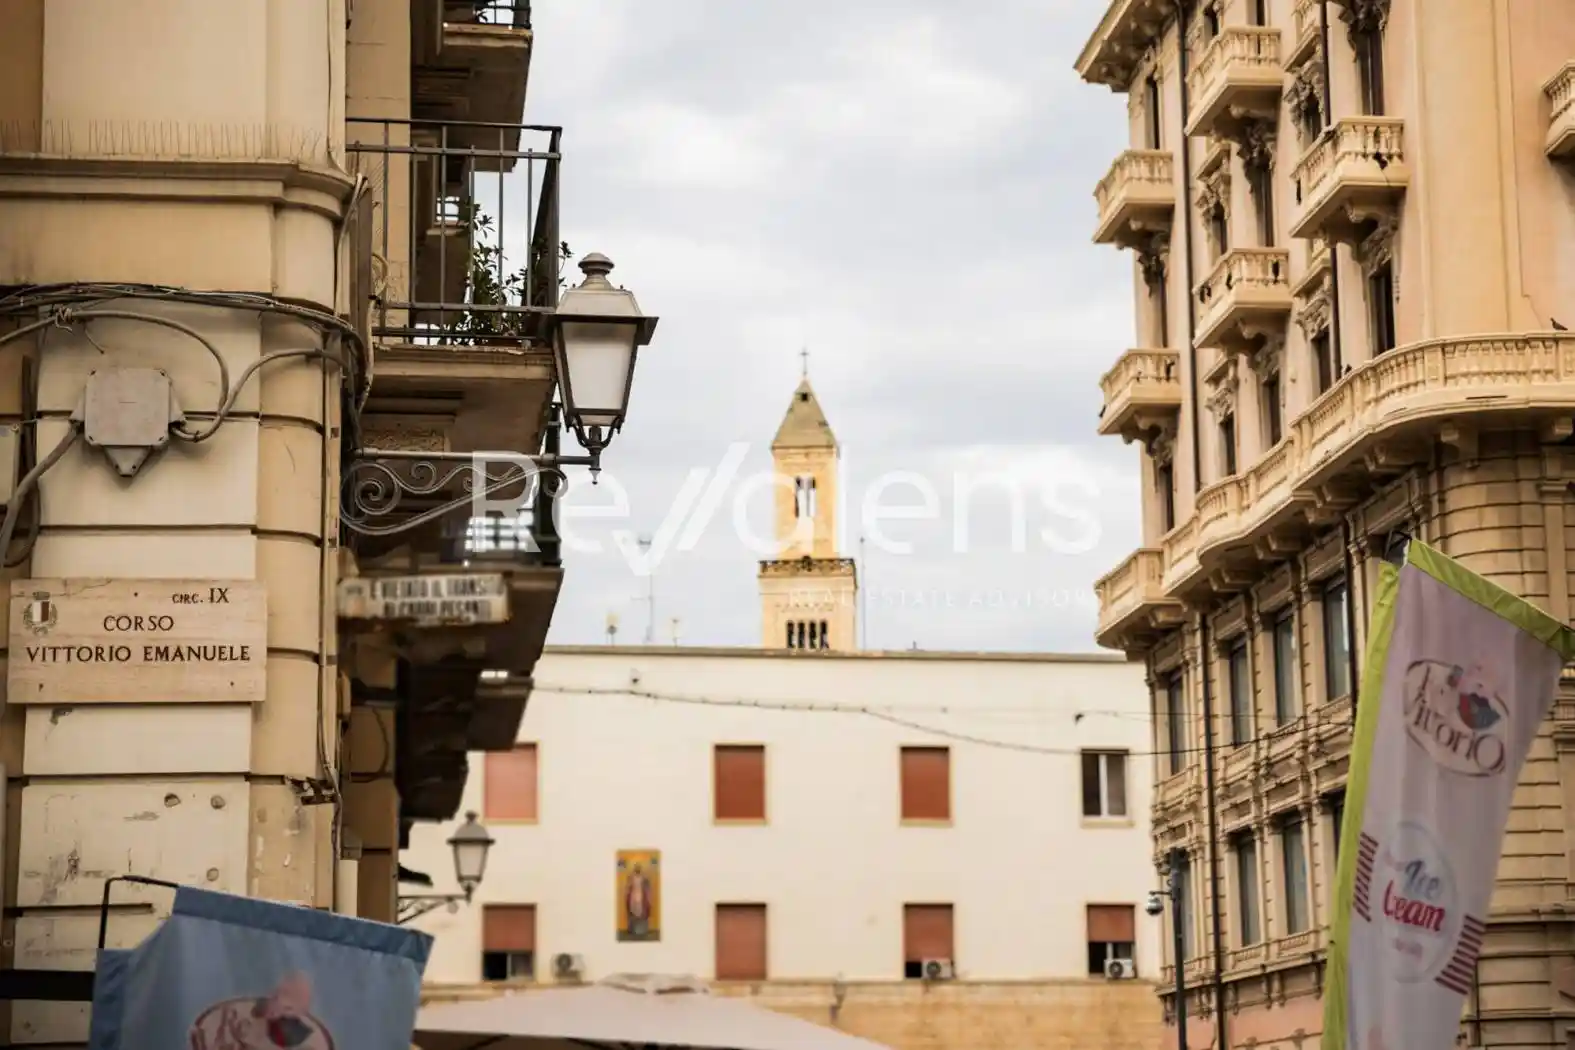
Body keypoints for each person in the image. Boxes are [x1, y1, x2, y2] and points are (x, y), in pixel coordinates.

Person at [625, 863, 652, 939]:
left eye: (639, 868)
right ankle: (633, 930)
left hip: (641, 897)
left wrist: (648, 896)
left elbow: (647, 887)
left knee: (642, 913)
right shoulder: (631, 877)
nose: (637, 870)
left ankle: (642, 930)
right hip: (633, 897)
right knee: (633, 912)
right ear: (634, 869)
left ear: (640, 869)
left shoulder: (644, 878)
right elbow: (628, 887)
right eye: (636, 868)